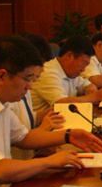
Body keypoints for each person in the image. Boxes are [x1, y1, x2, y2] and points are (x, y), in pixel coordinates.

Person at [0, 35, 102, 186]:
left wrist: (68, 135)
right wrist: (49, 161)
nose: (30, 87)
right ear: (2, 76)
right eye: (27, 79)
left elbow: (23, 137)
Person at [11, 32, 65, 160]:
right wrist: (43, 129)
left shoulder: (24, 84)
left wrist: (45, 114)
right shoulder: (11, 93)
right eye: (40, 65)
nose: (43, 70)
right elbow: (17, 139)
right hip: (19, 161)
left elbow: (24, 120)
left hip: (29, 157)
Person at [30, 36, 102, 113]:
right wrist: (96, 97)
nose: (83, 69)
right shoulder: (48, 73)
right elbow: (61, 104)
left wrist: (91, 89)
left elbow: (86, 84)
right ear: (69, 56)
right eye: (84, 63)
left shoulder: (69, 71)